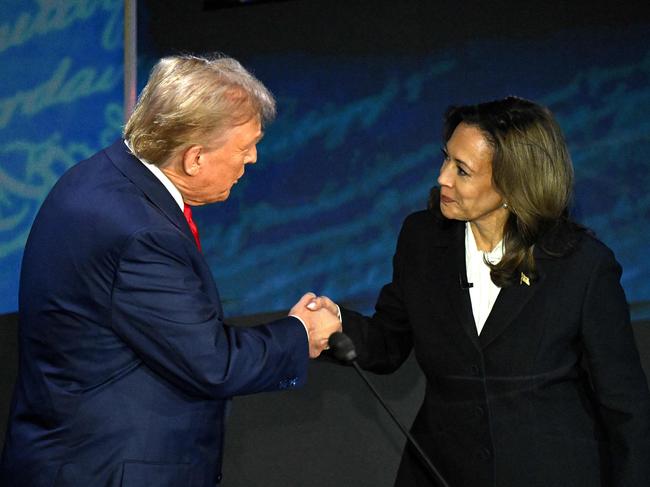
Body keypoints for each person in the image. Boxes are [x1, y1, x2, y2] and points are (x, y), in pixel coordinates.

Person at [0, 54, 341, 487]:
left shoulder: (102, 176)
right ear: (194, 157)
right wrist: (300, 332)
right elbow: (212, 363)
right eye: (244, 148)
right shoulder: (140, 233)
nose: (252, 159)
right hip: (109, 468)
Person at [310, 97, 650, 486]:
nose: (442, 178)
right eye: (445, 160)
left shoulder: (582, 266)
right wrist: (334, 326)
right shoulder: (422, 239)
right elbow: (389, 341)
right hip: (442, 470)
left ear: (512, 183)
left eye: (462, 170)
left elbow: (626, 407)